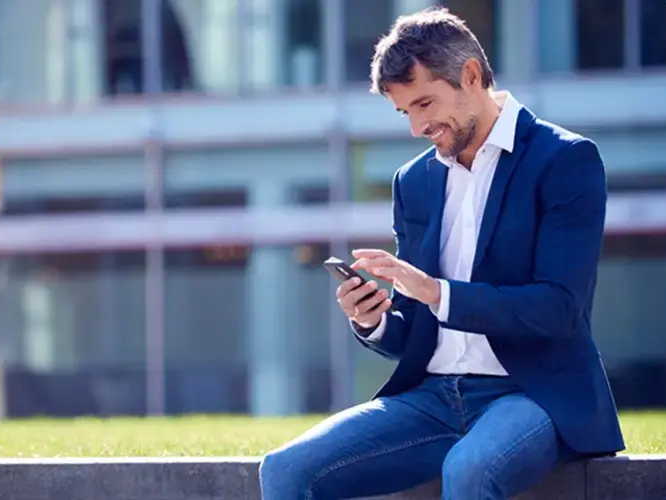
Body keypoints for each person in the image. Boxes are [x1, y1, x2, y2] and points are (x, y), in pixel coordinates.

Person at [258, 7, 625, 500]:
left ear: (470, 76)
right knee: (283, 469)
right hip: (431, 398)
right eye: (406, 112)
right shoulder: (415, 182)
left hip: (532, 395)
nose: (417, 127)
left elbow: (559, 308)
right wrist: (376, 320)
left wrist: (435, 291)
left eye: (426, 103)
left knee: (469, 472)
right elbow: (415, 327)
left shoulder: (564, 160)